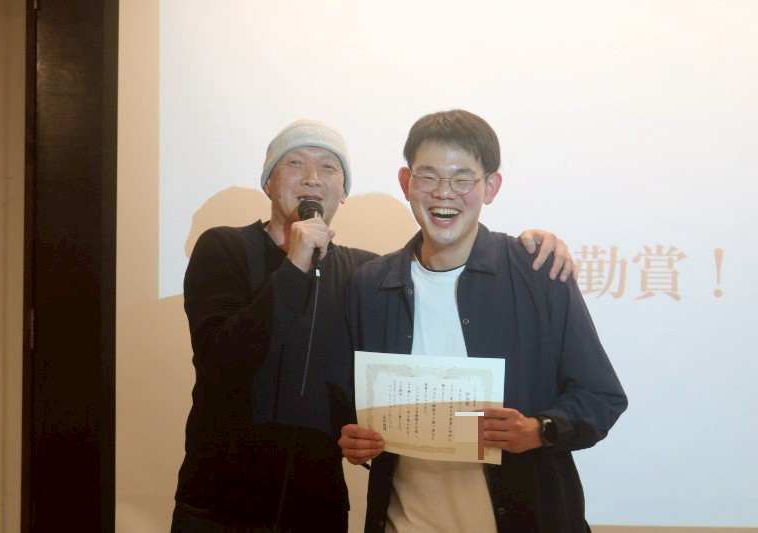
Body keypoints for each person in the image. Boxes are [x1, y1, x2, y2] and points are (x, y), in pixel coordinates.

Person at [172, 118, 578, 532]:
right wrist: (294, 264)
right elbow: (223, 360)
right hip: (219, 504)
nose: (312, 178)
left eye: (329, 168)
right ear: (268, 183)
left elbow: (367, 385)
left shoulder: (362, 273)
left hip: (317, 507)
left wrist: (537, 245)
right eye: (295, 163)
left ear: (343, 191)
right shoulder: (224, 247)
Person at [339, 110, 627, 533]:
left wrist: (539, 430)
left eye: (463, 179)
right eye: (428, 177)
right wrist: (352, 438)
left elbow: (601, 396)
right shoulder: (370, 285)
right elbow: (350, 405)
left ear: (490, 187)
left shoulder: (537, 272)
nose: (444, 193)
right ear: (406, 183)